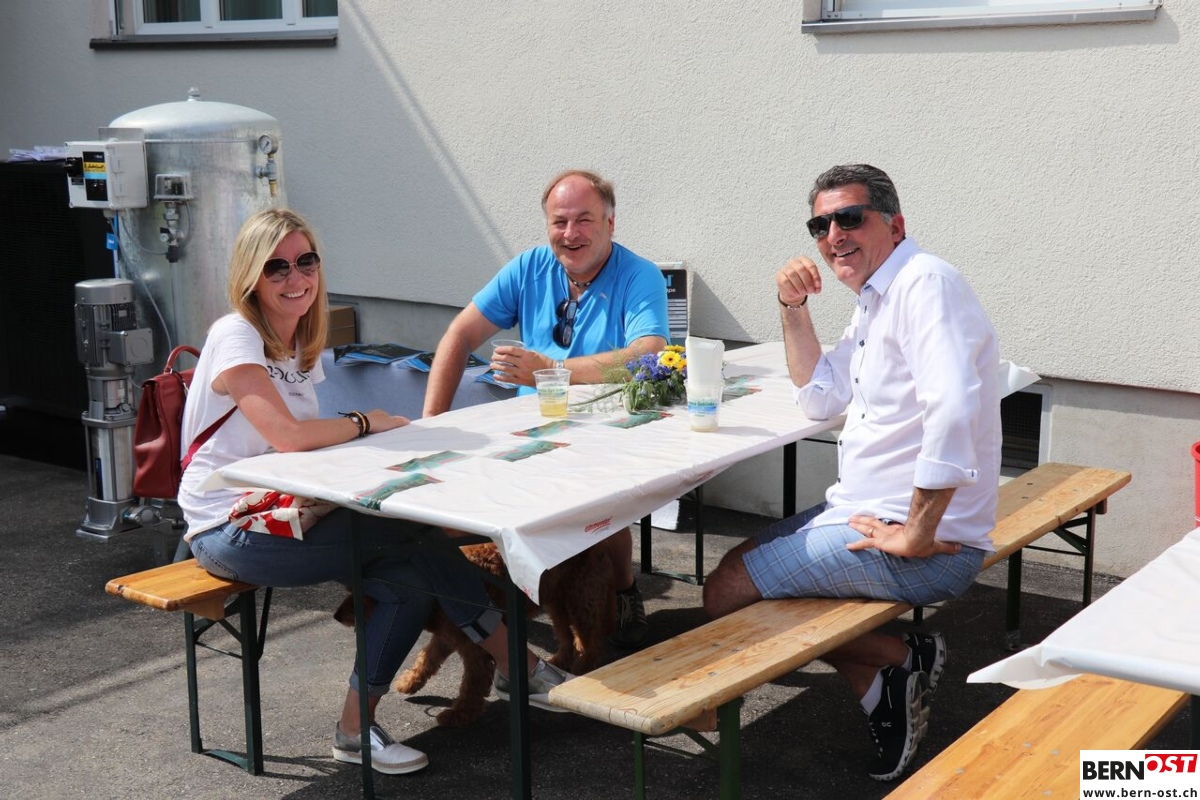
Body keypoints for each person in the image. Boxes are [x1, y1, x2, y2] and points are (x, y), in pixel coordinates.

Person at [178, 209, 573, 777]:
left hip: (287, 511)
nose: (295, 277)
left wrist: (371, 442)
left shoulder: (296, 340)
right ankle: (520, 667)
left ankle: (355, 731)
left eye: (305, 261)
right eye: (276, 267)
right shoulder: (235, 333)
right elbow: (288, 437)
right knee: (416, 537)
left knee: (409, 584)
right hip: (229, 527)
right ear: (250, 277)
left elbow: (304, 449)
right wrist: (366, 422)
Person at [701, 164, 1001, 781]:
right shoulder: (875, 298)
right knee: (743, 562)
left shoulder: (924, 285)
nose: (833, 234)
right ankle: (892, 669)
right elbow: (819, 396)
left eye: (849, 218)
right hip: (865, 513)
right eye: (820, 225)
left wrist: (917, 532)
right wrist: (791, 306)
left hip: (930, 545)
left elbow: (954, 409)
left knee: (727, 589)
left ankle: (895, 657)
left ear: (895, 225)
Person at [424, 169, 670, 649]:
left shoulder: (638, 275)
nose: (570, 233)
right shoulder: (529, 267)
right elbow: (459, 334)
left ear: (610, 223)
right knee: (453, 508)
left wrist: (551, 369)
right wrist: (430, 425)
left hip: (608, 429)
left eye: (584, 220)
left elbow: (648, 354)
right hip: (530, 431)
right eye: (560, 221)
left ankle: (623, 591)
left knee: (600, 507)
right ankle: (500, 609)